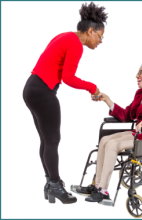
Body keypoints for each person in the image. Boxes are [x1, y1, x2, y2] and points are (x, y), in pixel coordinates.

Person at [22, 1, 109, 205]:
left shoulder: (64, 35)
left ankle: (51, 186)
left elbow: (60, 73)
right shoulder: (75, 43)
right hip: (43, 91)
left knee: (46, 140)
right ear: (90, 31)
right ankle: (55, 185)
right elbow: (69, 78)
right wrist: (93, 87)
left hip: (32, 88)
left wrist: (89, 88)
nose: (101, 41)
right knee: (52, 141)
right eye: (100, 36)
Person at [76, 53, 142, 203]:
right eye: (137, 72)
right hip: (139, 134)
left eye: (141, 72)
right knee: (105, 140)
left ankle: (104, 191)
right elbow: (127, 115)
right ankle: (97, 185)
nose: (137, 76)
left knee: (113, 144)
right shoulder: (140, 94)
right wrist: (108, 101)